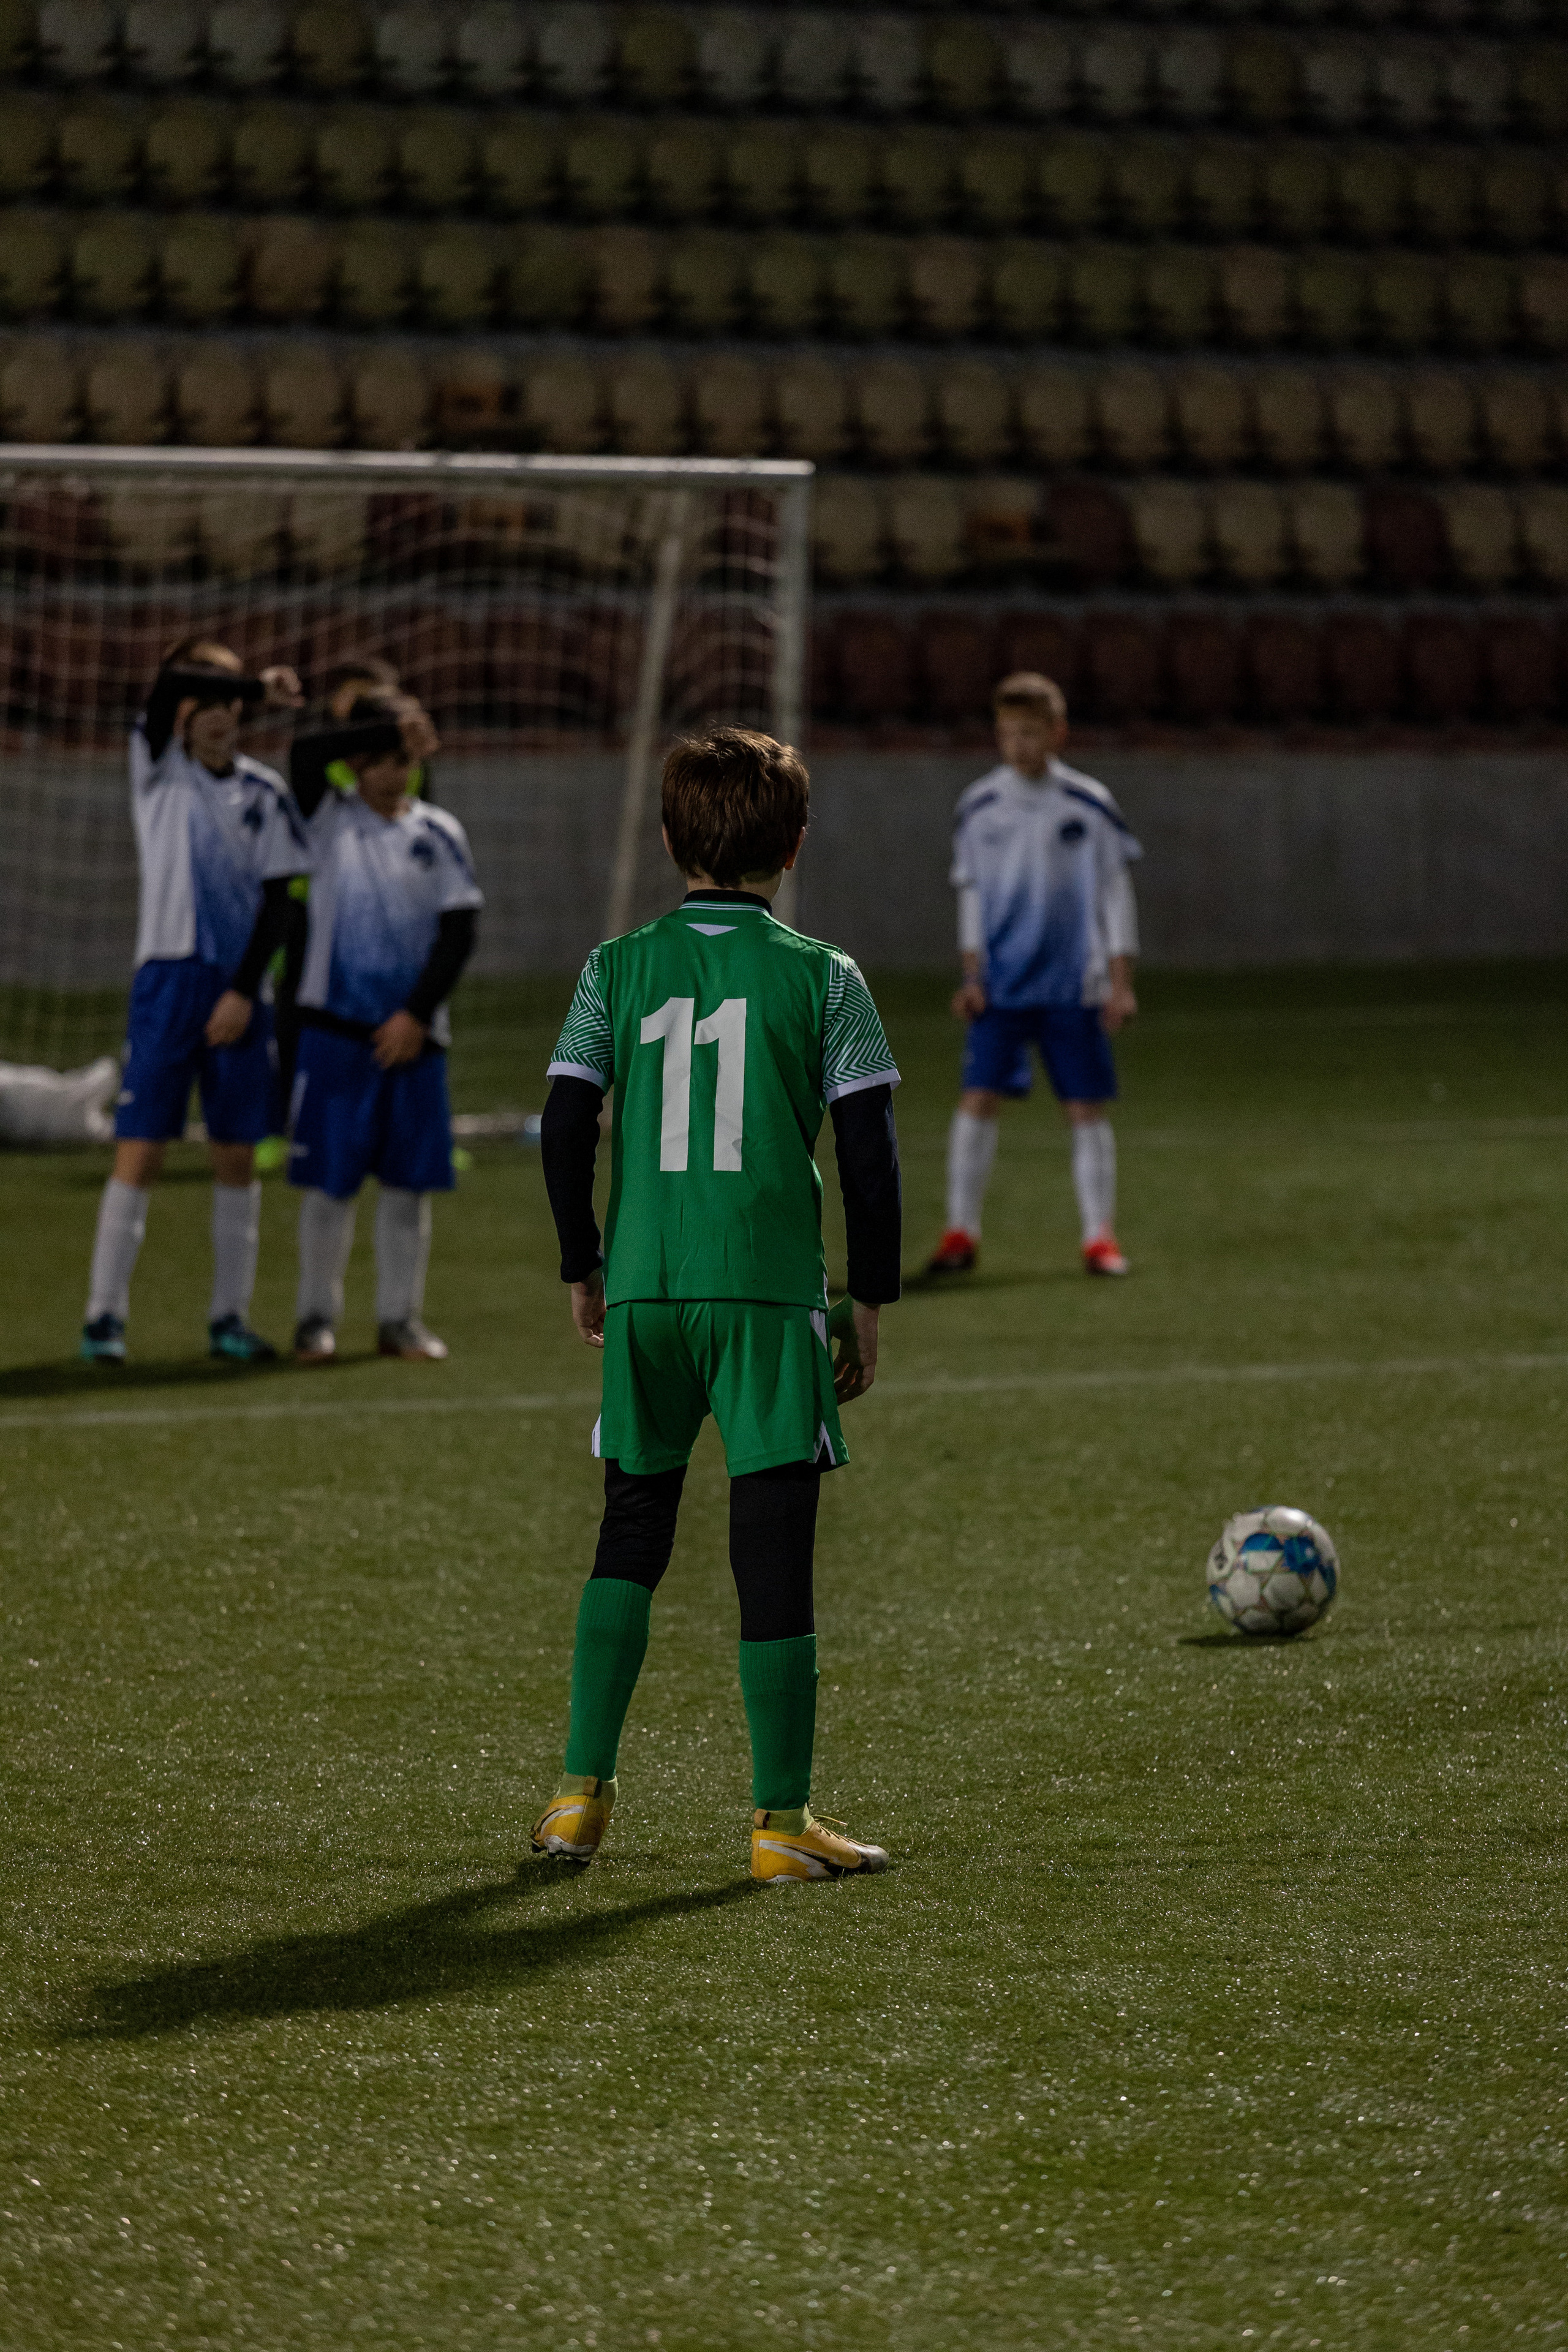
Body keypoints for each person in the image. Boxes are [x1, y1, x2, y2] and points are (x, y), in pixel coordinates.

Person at [532, 726, 903, 1886]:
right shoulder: (825, 975)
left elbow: (561, 1121)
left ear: (666, 840)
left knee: (631, 1529)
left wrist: (582, 1260)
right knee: (773, 1548)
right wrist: (869, 1297)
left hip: (645, 1287)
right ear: (793, 848)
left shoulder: (614, 966)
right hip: (764, 1292)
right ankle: (778, 1822)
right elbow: (870, 1153)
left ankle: (578, 1798)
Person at [81, 639, 306, 1365]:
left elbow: (281, 906)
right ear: (181, 710)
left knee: (236, 1155)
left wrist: (244, 991)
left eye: (227, 705)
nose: (216, 715)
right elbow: (171, 675)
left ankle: (229, 1319)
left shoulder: (265, 792)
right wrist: (250, 682)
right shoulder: (157, 766)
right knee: (141, 1149)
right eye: (202, 702)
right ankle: (104, 1318)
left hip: (239, 990)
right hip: (167, 983)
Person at [925, 671, 1142, 1281]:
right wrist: (971, 975)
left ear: (1057, 732)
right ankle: (959, 1231)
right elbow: (970, 895)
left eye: (1030, 732)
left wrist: (1120, 982)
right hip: (1000, 989)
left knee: (1085, 1108)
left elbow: (1114, 895)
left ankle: (1099, 1236)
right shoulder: (979, 806)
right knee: (977, 1100)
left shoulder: (1088, 804)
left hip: (1075, 987)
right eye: (1008, 733)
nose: (1018, 744)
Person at [285, 700, 480, 1364]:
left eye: (404, 758)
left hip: (415, 1038)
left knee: (407, 1187)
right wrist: (385, 727)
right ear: (358, 760)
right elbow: (307, 755)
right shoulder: (322, 819)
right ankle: (315, 1318)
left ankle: (399, 1318)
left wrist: (416, 1015)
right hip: (336, 1034)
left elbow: (459, 933)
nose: (394, 772)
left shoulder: (440, 831)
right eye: (381, 758)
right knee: (330, 1186)